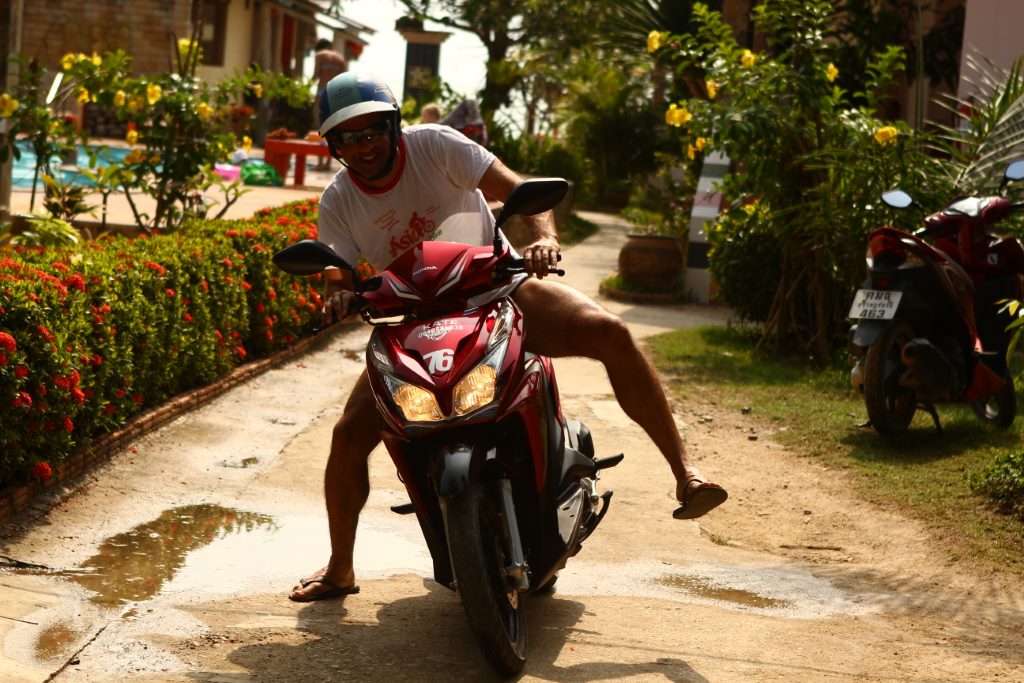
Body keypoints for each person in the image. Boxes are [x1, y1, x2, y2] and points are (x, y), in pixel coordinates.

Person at [289, 72, 728, 602]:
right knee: (348, 435)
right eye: (349, 138)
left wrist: (543, 237)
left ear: (393, 126)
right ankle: (340, 568)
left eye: (372, 131)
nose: (363, 146)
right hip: (412, 325)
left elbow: (518, 193)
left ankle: (686, 473)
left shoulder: (436, 144)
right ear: (334, 146)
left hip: (497, 291)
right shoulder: (337, 201)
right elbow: (339, 278)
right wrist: (338, 297)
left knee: (610, 332)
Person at [311, 39, 347, 170]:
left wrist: (305, 87)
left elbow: (316, 75)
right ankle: (327, 162)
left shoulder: (320, 56)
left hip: (322, 93)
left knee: (321, 128)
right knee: (332, 129)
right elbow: (344, 79)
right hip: (336, 96)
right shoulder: (340, 58)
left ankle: (320, 163)